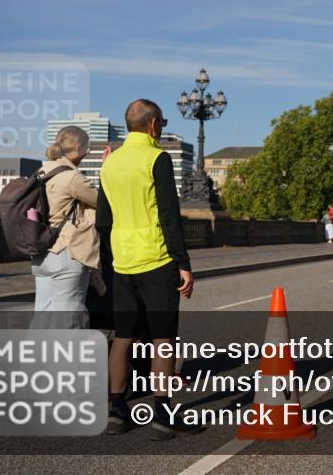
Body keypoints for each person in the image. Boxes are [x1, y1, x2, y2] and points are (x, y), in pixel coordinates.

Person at [97, 99, 199, 439]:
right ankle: (161, 415)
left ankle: (116, 411)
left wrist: (112, 261)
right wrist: (183, 263)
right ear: (153, 125)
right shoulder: (158, 158)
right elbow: (169, 215)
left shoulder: (109, 164)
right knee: (163, 340)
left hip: (122, 262)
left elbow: (103, 221)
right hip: (156, 259)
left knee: (123, 338)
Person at [32, 126, 103, 328]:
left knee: (43, 320)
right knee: (68, 322)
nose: (87, 153)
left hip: (42, 254)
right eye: (87, 149)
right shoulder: (72, 177)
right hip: (66, 254)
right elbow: (104, 203)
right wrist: (106, 169)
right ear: (79, 147)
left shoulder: (41, 171)